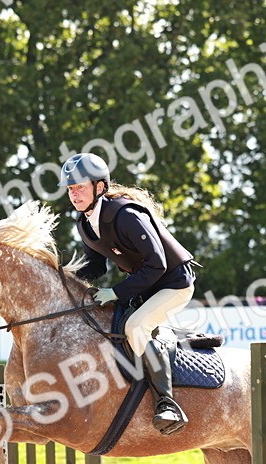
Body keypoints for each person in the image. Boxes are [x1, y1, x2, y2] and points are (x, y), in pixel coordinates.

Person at [61, 152, 197, 435]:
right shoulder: (85, 222)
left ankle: (167, 403)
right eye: (71, 189)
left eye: (80, 187)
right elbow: (95, 265)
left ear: (100, 187)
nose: (74, 194)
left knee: (135, 326)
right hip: (147, 285)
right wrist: (64, 281)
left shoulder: (126, 215)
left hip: (173, 283)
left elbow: (157, 264)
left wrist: (118, 291)